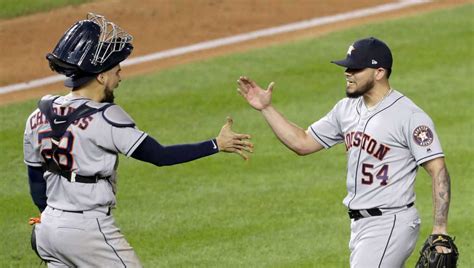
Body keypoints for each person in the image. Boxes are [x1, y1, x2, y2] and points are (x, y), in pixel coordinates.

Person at [23, 13, 253, 267]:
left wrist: (54, 220)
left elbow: (36, 180)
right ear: (101, 76)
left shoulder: (38, 115)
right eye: (116, 71)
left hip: (47, 230)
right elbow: (159, 156)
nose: (120, 78)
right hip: (86, 230)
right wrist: (216, 144)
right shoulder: (106, 117)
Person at [237, 37, 452, 267]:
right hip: (359, 226)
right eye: (347, 67)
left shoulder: (408, 116)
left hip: (391, 222)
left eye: (356, 68)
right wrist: (266, 108)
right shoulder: (345, 109)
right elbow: (302, 142)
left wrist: (440, 228)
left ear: (379, 72)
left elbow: (437, 169)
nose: (348, 72)